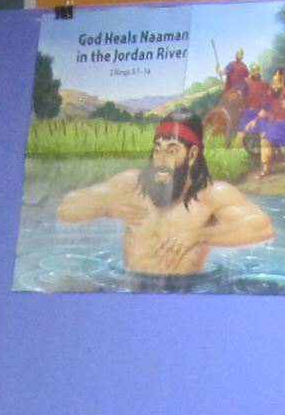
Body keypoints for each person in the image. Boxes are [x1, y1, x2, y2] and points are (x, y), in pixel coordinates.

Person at [56, 113, 273, 286]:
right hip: (130, 286)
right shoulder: (132, 185)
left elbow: (262, 227)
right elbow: (66, 208)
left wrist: (199, 236)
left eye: (172, 151)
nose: (161, 160)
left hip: (187, 292)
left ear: (192, 154)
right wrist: (105, 207)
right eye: (158, 149)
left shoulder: (211, 194)